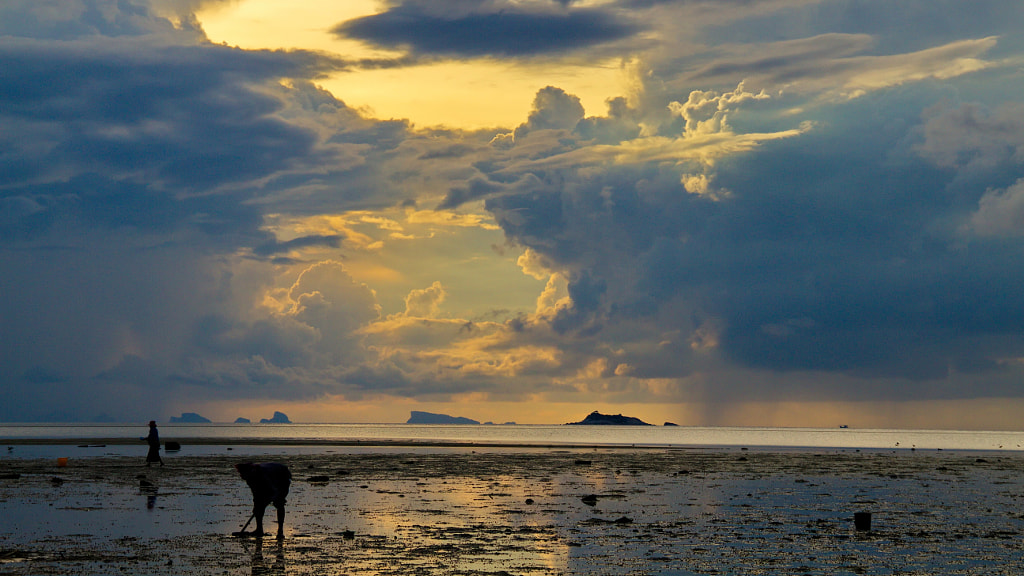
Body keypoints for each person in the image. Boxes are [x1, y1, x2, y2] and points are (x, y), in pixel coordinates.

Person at [235, 462, 291, 539]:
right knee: (259, 505)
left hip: (282, 477)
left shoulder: (262, 474)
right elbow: (256, 493)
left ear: (249, 471)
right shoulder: (249, 478)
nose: (241, 476)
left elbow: (272, 490)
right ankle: (259, 530)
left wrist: (267, 500)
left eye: (242, 473)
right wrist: (257, 506)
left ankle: (280, 532)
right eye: (240, 473)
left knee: (279, 503)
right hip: (272, 479)